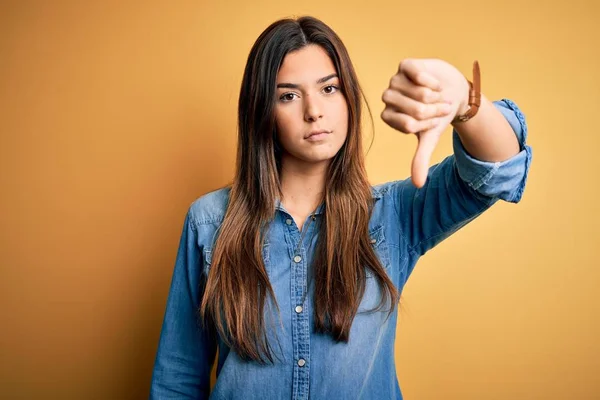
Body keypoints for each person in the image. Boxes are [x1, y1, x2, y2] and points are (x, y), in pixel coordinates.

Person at [149, 15, 532, 400]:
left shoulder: (393, 215)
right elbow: (177, 377)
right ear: (262, 112)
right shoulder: (209, 221)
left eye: (329, 88)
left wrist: (465, 102)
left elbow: (499, 172)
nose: (314, 110)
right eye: (288, 95)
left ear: (348, 96)